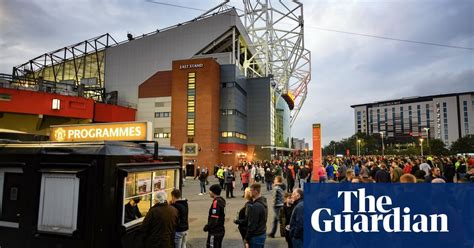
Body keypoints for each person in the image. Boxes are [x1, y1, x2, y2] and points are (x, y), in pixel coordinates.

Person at [245, 183, 268, 248]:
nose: (250, 193)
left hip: (256, 236)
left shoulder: (255, 206)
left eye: (251, 191)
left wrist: (246, 238)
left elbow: (252, 224)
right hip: (261, 233)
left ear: (255, 191)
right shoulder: (263, 201)